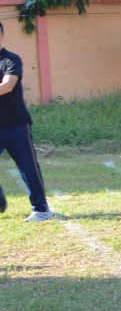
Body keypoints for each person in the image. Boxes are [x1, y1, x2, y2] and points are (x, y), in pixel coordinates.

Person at [0, 19, 53, 221]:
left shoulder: (11, 60)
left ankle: (41, 209)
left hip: (16, 125)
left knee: (28, 168)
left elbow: (7, 86)